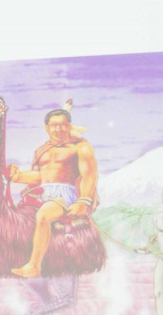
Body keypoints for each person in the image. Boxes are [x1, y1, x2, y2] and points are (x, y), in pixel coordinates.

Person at [9, 105, 97, 278]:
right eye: (54, 125)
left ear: (69, 125)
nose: (58, 128)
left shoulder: (80, 147)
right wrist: (18, 176)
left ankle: (34, 266)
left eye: (63, 124)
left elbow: (89, 174)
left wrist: (83, 200)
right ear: (47, 128)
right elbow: (40, 176)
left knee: (43, 215)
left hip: (66, 194)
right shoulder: (42, 150)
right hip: (42, 192)